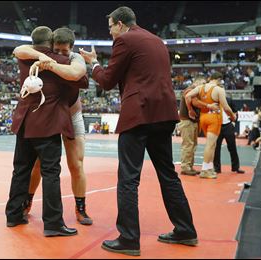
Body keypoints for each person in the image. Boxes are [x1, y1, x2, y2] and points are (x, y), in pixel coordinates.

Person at [80, 6, 198, 256]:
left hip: (139, 114)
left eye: (111, 26)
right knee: (168, 174)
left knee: (128, 178)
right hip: (164, 113)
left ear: (121, 24)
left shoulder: (124, 40)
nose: (110, 32)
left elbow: (107, 81)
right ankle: (186, 229)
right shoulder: (157, 41)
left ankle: (129, 238)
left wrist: (94, 64)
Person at [5, 26, 87, 237]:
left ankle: (14, 215)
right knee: (51, 173)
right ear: (51, 43)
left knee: (21, 170)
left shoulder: (25, 58)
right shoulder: (58, 61)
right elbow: (80, 78)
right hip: (48, 123)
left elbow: (18, 50)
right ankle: (52, 224)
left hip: (25, 122)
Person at [186, 72, 236, 179]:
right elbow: (226, 107)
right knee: (210, 144)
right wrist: (232, 116)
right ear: (218, 79)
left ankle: (209, 168)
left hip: (203, 117)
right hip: (213, 118)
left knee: (212, 145)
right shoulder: (219, 89)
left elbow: (187, 96)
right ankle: (204, 170)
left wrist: (190, 110)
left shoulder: (200, 87)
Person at [178, 76, 219, 176]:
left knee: (192, 145)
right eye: (203, 83)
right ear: (197, 82)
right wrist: (208, 106)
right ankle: (185, 167)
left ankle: (189, 166)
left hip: (192, 121)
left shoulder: (195, 91)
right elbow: (194, 102)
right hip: (187, 121)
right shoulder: (190, 90)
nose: (204, 86)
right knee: (188, 144)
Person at [213, 97, 245, 174]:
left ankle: (235, 167)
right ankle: (217, 168)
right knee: (216, 148)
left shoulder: (228, 100)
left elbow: (236, 111)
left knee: (232, 147)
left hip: (228, 125)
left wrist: (233, 122)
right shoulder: (213, 100)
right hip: (217, 126)